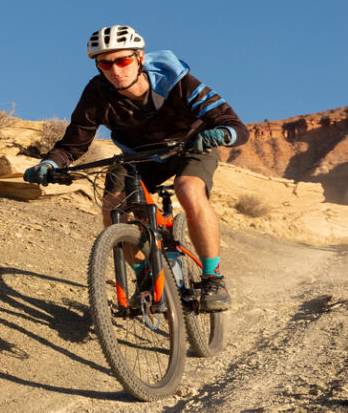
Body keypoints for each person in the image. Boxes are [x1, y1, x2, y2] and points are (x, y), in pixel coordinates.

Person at [24, 25, 249, 312]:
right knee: (113, 209)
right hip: (139, 157)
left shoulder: (176, 81)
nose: (115, 70)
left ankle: (213, 279)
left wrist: (221, 134)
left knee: (188, 190)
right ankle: (145, 277)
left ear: (140, 58)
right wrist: (50, 163)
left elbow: (235, 126)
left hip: (191, 148)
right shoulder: (97, 93)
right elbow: (74, 143)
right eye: (104, 63)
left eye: (123, 60)